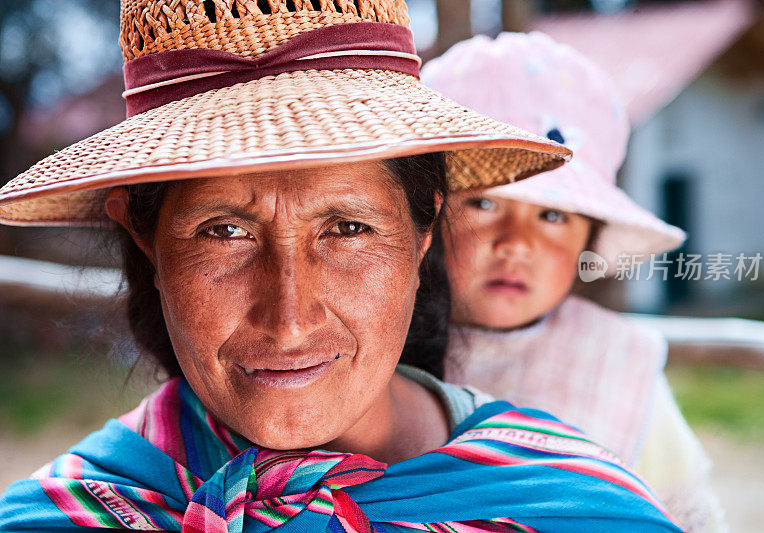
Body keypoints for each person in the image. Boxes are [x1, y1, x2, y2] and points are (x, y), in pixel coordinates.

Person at [0, 2, 680, 531]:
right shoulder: (69, 511)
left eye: (348, 228)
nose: (290, 317)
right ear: (147, 239)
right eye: (226, 231)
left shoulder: (565, 506)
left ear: (422, 232)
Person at [423, 32, 725, 532]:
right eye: (484, 203)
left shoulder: (619, 365)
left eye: (552, 215)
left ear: (590, 235)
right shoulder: (380, 347)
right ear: (426, 219)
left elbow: (689, 518)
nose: (515, 243)